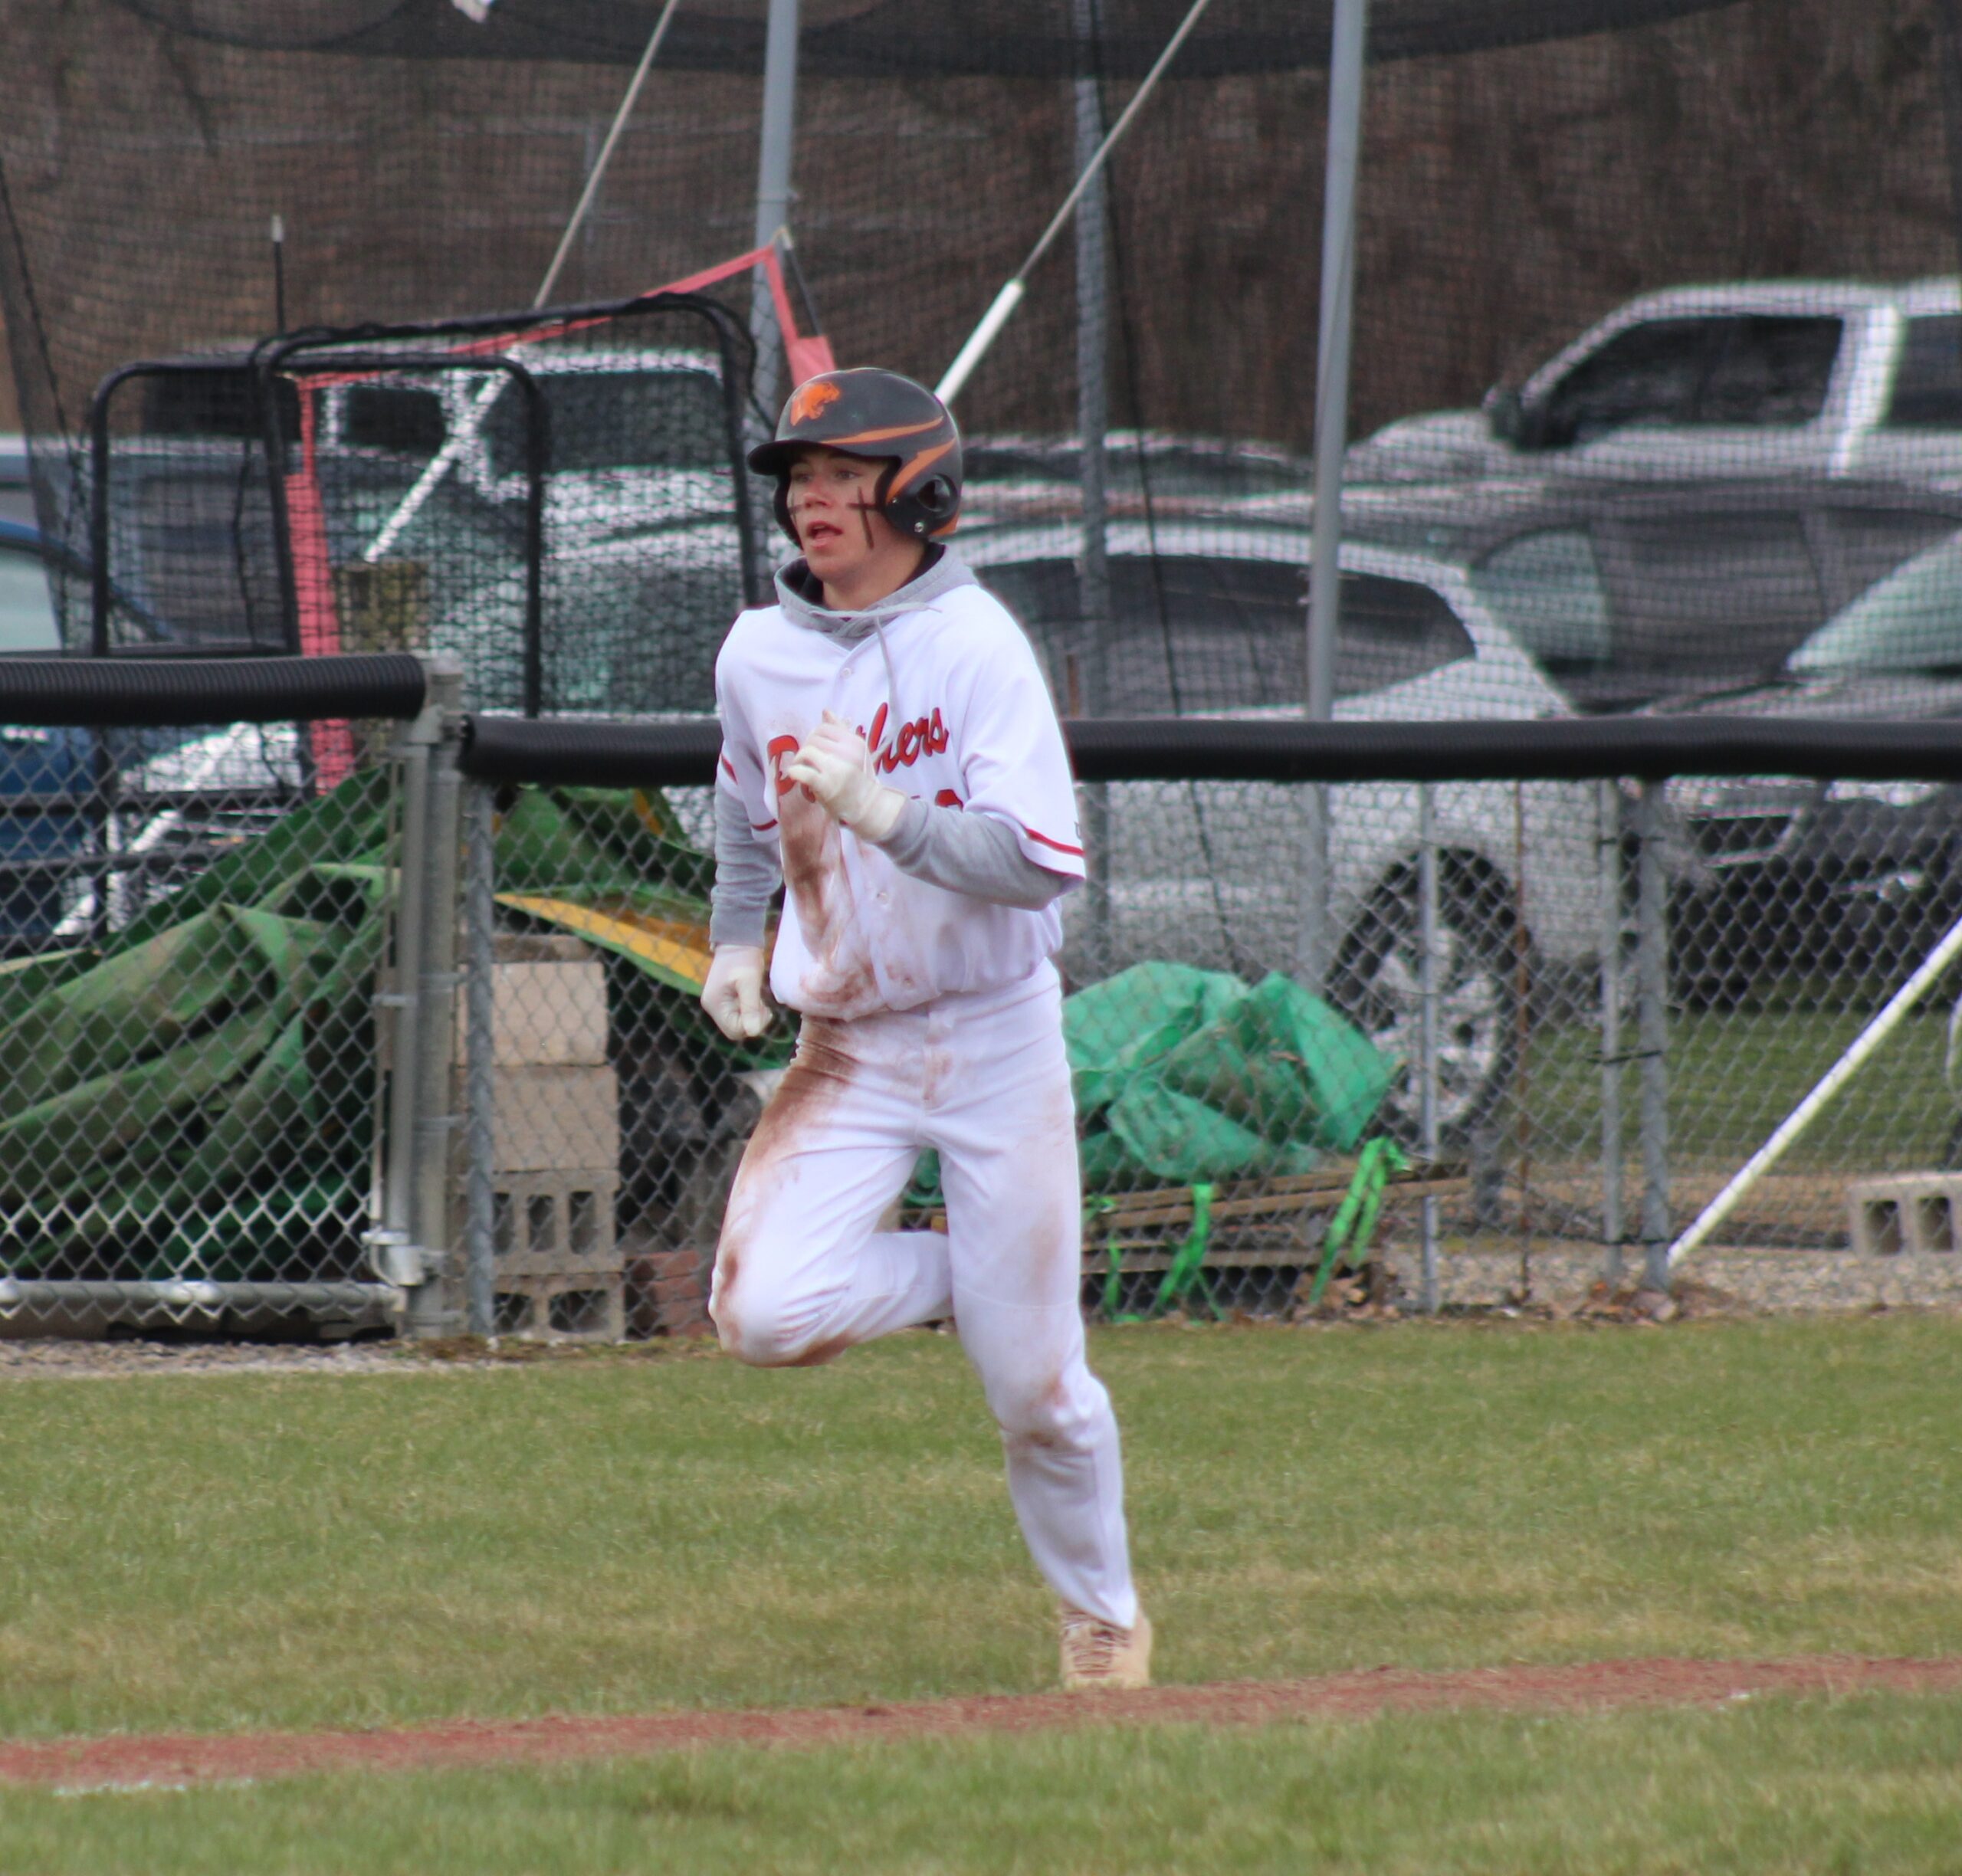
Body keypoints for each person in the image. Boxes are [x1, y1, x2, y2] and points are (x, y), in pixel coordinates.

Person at [700, 366, 1149, 1691]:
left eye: (842, 476)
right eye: (800, 477)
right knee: (760, 1314)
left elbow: (1039, 864)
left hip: (995, 1033)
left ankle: (1103, 1618)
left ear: (915, 491)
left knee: (1039, 1396)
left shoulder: (977, 644)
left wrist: (886, 812)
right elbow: (743, 806)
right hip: (851, 1046)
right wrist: (736, 937)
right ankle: (986, 1282)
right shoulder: (756, 652)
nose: (812, 499)